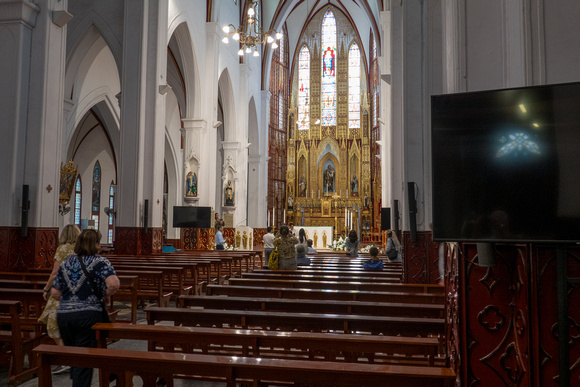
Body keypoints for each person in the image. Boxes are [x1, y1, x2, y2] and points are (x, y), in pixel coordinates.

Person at [51, 229, 120, 387]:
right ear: (95, 244)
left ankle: (103, 373)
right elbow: (114, 284)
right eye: (98, 242)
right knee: (83, 358)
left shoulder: (66, 263)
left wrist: (71, 299)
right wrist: (102, 294)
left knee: (75, 356)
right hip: (88, 315)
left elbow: (54, 292)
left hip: (64, 316)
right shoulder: (100, 261)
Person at [38, 224, 80, 374]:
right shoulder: (82, 249)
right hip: (80, 290)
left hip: (62, 289)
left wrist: (46, 288)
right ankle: (74, 356)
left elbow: (55, 273)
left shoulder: (63, 249)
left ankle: (67, 357)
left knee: (53, 323)